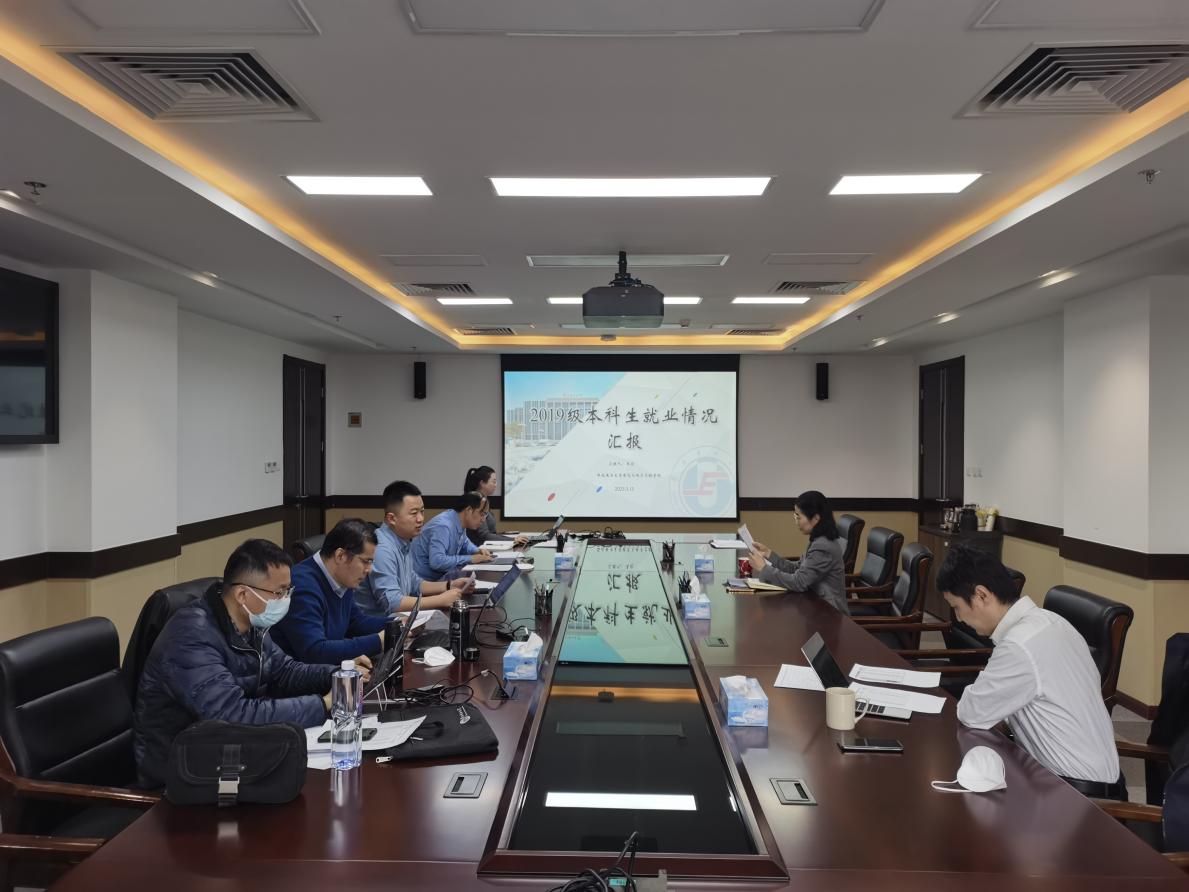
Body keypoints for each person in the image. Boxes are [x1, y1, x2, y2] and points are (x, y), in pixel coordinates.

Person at [133, 539, 370, 788]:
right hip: (184, 775)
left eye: (288, 591)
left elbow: (285, 672)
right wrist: (323, 704)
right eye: (279, 593)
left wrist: (337, 674)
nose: (285, 600)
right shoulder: (190, 637)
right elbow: (233, 715)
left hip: (231, 757)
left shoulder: (250, 622)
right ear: (243, 594)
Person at [938, 544, 1124, 798]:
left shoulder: (1019, 645)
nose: (958, 618)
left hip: (1076, 795)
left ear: (981, 595)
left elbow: (971, 713)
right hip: (1089, 780)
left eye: (957, 606)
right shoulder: (1053, 621)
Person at [272, 518, 389, 663]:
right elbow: (315, 651)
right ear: (340, 556)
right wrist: (378, 641)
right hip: (298, 673)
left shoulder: (341, 576)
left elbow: (355, 622)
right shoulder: (302, 586)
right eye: (366, 561)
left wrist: (398, 624)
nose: (369, 569)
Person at [355, 479, 477, 617]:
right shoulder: (382, 549)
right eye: (414, 513)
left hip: (400, 620)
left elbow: (414, 584)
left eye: (422, 511)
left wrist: (449, 585)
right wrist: (440, 600)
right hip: (379, 625)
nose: (420, 519)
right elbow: (392, 603)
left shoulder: (402, 540)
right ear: (392, 519)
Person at [747, 490, 848, 615]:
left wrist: (764, 568)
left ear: (816, 518)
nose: (796, 521)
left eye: (798, 517)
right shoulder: (818, 539)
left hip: (830, 614)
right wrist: (769, 554)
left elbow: (799, 582)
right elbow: (797, 569)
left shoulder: (823, 546)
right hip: (815, 605)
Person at [411, 491, 494, 579]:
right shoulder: (444, 526)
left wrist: (477, 551)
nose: (483, 520)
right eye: (482, 514)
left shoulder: (458, 520)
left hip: (440, 577)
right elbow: (437, 561)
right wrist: (471, 558)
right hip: (423, 582)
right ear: (469, 510)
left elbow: (465, 543)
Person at [463, 465, 528, 548]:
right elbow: (484, 536)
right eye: (493, 482)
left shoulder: (484, 500)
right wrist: (513, 540)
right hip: (479, 549)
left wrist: (509, 538)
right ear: (482, 483)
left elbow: (490, 533)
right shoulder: (476, 501)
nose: (495, 485)